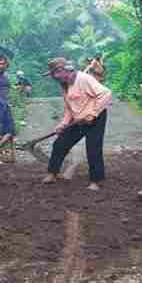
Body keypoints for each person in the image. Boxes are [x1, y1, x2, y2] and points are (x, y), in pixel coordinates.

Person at [42, 57, 112, 191]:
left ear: (63, 70)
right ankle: (52, 173)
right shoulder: (64, 85)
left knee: (93, 149)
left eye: (55, 74)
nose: (54, 77)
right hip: (78, 119)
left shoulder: (84, 79)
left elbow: (106, 94)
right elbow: (70, 108)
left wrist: (93, 113)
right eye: (53, 74)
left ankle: (96, 181)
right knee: (60, 144)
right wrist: (63, 123)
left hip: (96, 118)